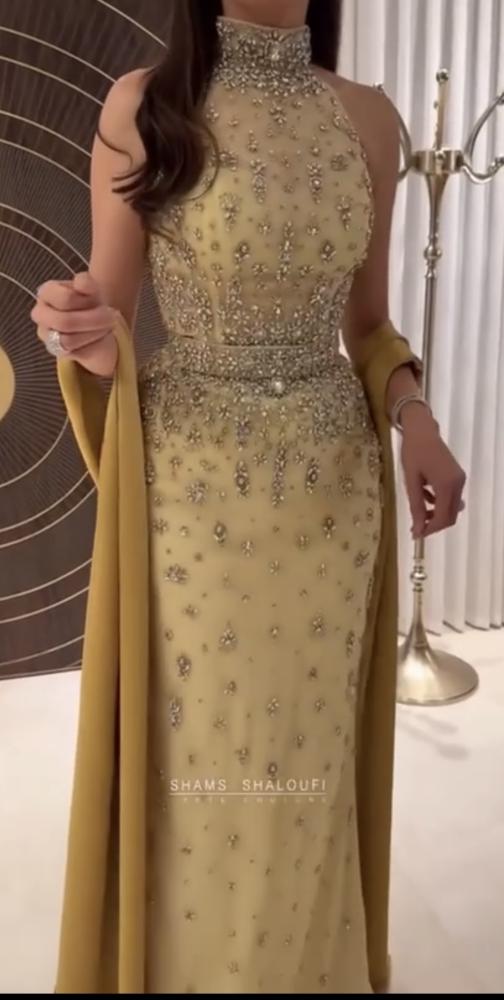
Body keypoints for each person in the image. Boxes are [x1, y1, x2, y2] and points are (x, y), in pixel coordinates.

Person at [31, 0, 466, 993]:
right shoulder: (147, 105)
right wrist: (74, 329)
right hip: (192, 502)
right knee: (205, 770)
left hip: (331, 496)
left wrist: (417, 417)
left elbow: (368, 326)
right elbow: (111, 318)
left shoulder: (367, 116)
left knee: (307, 767)